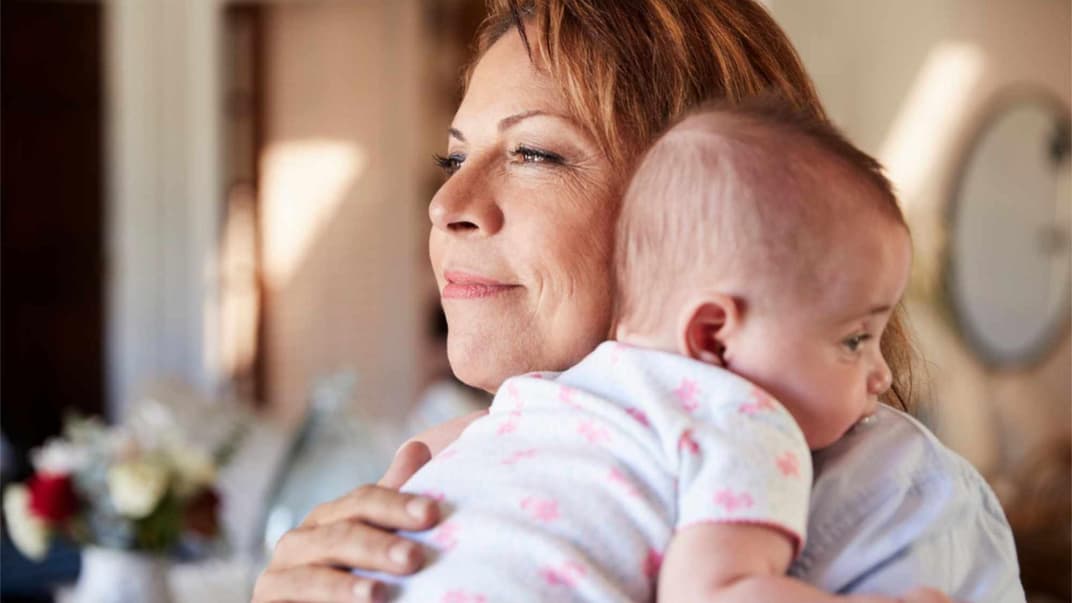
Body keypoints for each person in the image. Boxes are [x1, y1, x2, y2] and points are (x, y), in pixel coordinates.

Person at [252, 2, 1023, 602]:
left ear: (705, 214)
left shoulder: (891, 495)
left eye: (534, 153)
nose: (447, 199)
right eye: (454, 157)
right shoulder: (454, 457)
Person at [359, 100, 929, 603]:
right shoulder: (743, 419)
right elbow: (713, 594)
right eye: (855, 339)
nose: (879, 375)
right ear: (712, 336)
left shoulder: (537, 399)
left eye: (532, 153)